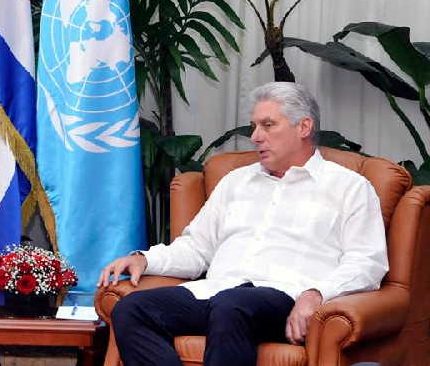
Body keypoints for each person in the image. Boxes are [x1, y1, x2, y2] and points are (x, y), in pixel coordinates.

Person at [97, 82, 388, 366]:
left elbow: (367, 262)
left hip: (284, 298)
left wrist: (316, 295)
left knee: (233, 305)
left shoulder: (349, 187)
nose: (256, 136)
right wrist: (145, 260)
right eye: (254, 126)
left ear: (304, 127)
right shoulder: (236, 182)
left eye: (268, 125)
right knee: (131, 309)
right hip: (215, 293)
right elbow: (198, 247)